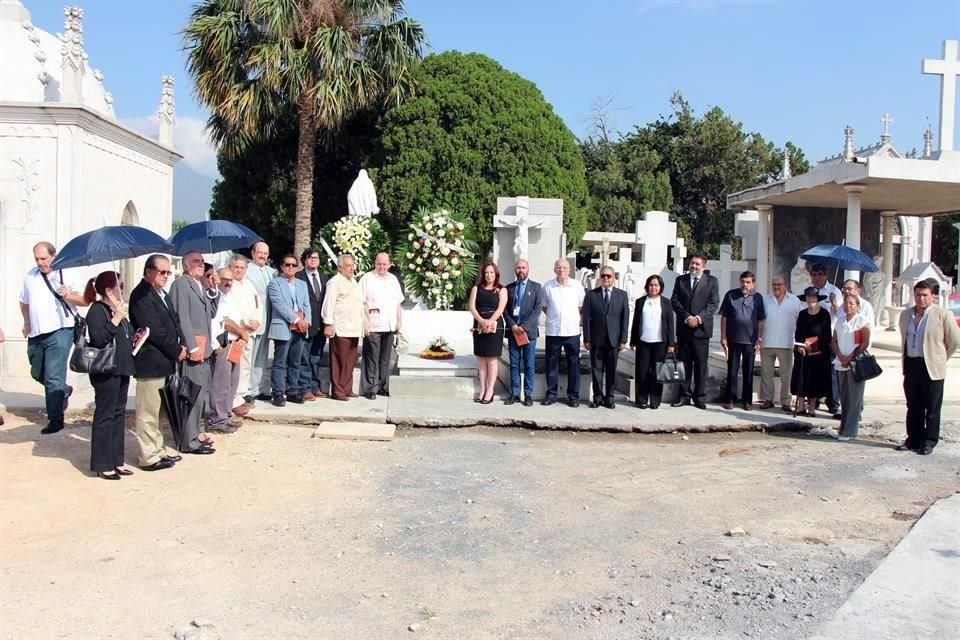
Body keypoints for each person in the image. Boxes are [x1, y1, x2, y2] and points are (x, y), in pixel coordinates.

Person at [19, 241, 88, 434]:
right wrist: (26, 322)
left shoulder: (67, 274)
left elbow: (85, 299)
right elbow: (23, 301)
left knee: (53, 378)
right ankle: (63, 391)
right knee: (37, 372)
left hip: (60, 331)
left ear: (54, 256)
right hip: (36, 334)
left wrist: (68, 295)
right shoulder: (30, 276)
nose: (40, 262)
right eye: (37, 259)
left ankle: (55, 419)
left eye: (44, 258)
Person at [129, 254, 185, 471]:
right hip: (151, 361)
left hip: (165, 361)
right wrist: (176, 349)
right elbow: (154, 331)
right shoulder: (142, 295)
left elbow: (173, 322)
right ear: (148, 271)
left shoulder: (160, 293)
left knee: (160, 411)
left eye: (168, 272)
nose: (165, 276)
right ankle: (148, 456)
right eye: (162, 272)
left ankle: (158, 449)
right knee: (148, 412)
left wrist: (180, 344)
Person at [82, 271, 136, 479]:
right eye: (119, 286)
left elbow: (127, 334)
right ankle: (102, 463)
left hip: (122, 367)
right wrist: (115, 319)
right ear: (108, 290)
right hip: (106, 369)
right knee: (105, 414)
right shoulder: (97, 310)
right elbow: (99, 338)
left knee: (119, 414)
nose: (122, 290)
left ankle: (116, 459)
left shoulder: (117, 310)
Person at [897, 280, 960, 455]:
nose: (921, 298)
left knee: (932, 407)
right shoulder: (905, 315)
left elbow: (954, 341)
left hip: (932, 366)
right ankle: (913, 439)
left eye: (925, 295)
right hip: (911, 364)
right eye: (918, 295)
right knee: (913, 405)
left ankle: (929, 441)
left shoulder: (942, 315)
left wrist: (941, 358)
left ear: (933, 295)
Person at [169, 251, 218, 454]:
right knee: (191, 395)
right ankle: (188, 440)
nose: (201, 265)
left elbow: (212, 314)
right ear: (186, 265)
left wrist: (213, 289)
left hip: (205, 348)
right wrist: (192, 346)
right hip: (194, 349)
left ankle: (196, 432)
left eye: (202, 262)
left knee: (201, 395)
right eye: (196, 262)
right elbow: (182, 318)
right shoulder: (182, 284)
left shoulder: (200, 284)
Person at [670, 253, 719, 409]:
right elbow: (675, 301)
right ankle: (684, 395)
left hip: (701, 330)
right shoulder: (681, 280)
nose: (694, 266)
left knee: (700, 365)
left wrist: (698, 319)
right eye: (692, 263)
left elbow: (713, 304)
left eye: (697, 264)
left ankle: (699, 397)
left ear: (704, 266)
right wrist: (687, 318)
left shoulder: (712, 281)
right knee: (684, 364)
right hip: (684, 329)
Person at [207, 268, 249, 433]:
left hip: (235, 343)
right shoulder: (215, 297)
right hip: (223, 343)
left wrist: (241, 335)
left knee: (232, 382)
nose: (228, 283)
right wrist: (242, 332)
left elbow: (237, 319)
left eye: (231, 280)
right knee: (221, 384)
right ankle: (217, 420)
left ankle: (226, 415)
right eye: (224, 279)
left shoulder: (229, 297)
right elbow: (225, 321)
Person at [582, 266, 630, 409]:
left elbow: (625, 318)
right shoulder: (591, 295)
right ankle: (597, 397)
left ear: (614, 277)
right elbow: (586, 318)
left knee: (611, 370)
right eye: (603, 276)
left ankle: (610, 397)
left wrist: (623, 339)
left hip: (614, 340)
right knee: (596, 370)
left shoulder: (622, 295)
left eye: (609, 276)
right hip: (596, 340)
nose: (606, 278)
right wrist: (587, 338)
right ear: (599, 278)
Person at [267, 254, 311, 406]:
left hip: (300, 328)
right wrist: (297, 320)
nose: (290, 267)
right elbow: (279, 305)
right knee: (280, 362)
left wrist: (307, 321)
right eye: (287, 265)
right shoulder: (275, 284)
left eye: (293, 265)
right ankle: (278, 393)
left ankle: (293, 390)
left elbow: (306, 304)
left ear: (297, 267)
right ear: (282, 267)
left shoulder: (302, 284)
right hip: (284, 326)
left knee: (296, 361)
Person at [359, 252, 404, 400]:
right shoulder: (367, 278)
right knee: (371, 357)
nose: (382, 267)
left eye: (385, 264)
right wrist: (364, 322)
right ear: (375, 263)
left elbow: (398, 303)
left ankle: (381, 385)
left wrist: (399, 322)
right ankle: (370, 388)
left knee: (385, 358)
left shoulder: (393, 280)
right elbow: (362, 303)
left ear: (389, 264)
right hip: (373, 324)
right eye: (379, 264)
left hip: (389, 325)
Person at [542, 258, 586, 408]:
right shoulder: (548, 286)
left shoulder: (577, 286)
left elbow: (580, 306)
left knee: (573, 364)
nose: (562, 270)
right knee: (551, 364)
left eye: (565, 267)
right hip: (553, 331)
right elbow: (544, 307)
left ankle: (573, 396)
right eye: (559, 267)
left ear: (570, 269)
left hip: (572, 332)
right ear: (554, 269)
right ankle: (551, 394)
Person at [719, 271, 766, 410]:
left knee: (748, 372)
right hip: (733, 339)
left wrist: (759, 338)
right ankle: (730, 400)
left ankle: (747, 401)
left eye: (748, 282)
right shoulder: (731, 295)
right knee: (732, 371)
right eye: (742, 281)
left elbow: (760, 320)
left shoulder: (758, 298)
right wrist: (723, 337)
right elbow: (724, 317)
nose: (744, 284)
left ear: (753, 283)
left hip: (750, 341)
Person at [629, 274, 676, 410]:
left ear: (660, 287)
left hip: (660, 343)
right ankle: (641, 400)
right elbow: (636, 322)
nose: (653, 287)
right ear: (647, 286)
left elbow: (670, 324)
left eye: (656, 285)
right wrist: (633, 340)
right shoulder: (640, 301)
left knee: (657, 373)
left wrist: (671, 344)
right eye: (651, 285)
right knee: (642, 372)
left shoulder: (666, 303)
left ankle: (655, 400)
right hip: (643, 342)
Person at [321, 254, 364, 401]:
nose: (351, 268)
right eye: (348, 266)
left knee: (350, 360)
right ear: (340, 267)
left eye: (352, 265)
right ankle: (338, 391)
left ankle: (347, 388)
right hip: (341, 327)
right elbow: (329, 304)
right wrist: (328, 323)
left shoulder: (354, 282)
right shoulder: (335, 282)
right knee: (339, 360)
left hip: (354, 328)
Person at [758, 276, 803, 412]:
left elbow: (799, 320)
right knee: (766, 373)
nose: (776, 287)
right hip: (767, 341)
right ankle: (767, 399)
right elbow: (759, 320)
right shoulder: (765, 300)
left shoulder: (794, 301)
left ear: (786, 285)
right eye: (774, 284)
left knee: (786, 374)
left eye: (779, 284)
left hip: (786, 342)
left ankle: (786, 401)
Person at [504, 259, 545, 406]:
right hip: (513, 332)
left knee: (529, 365)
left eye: (523, 268)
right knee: (514, 364)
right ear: (515, 270)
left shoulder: (536, 287)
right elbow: (505, 310)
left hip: (529, 333)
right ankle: (515, 394)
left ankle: (528, 394)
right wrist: (513, 326)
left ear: (528, 269)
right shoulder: (508, 289)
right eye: (518, 268)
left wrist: (524, 327)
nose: (521, 270)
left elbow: (537, 309)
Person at [832, 294, 871, 441]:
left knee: (855, 398)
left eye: (852, 303)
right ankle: (843, 428)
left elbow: (864, 343)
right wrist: (840, 356)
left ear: (857, 306)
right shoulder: (840, 321)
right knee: (845, 398)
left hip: (855, 363)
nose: (848, 306)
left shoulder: (862, 321)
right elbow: (834, 340)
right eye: (846, 303)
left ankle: (851, 431)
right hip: (841, 362)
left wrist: (850, 358)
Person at [469, 262, 508, 404]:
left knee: (491, 359)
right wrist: (481, 320)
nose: (488, 275)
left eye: (491, 272)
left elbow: (500, 309)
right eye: (486, 272)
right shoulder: (476, 288)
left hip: (495, 325)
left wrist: (490, 321)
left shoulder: (501, 290)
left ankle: (490, 390)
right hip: (478, 324)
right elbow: (472, 307)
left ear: (496, 273)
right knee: (481, 359)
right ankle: (483, 389)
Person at [791, 287, 833, 417]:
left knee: (815, 379)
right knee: (801, 377)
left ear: (817, 299)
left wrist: (813, 347)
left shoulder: (824, 314)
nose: (811, 300)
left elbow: (826, 336)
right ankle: (801, 405)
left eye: (813, 298)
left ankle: (812, 408)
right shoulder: (803, 314)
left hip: (818, 353)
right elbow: (799, 333)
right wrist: (800, 346)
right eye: (808, 298)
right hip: (803, 351)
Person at [227, 254, 261, 415]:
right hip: (236, 334)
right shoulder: (228, 285)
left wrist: (256, 321)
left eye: (242, 268)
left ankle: (241, 396)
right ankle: (233, 400)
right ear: (230, 268)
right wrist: (242, 327)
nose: (239, 270)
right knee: (236, 367)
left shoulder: (248, 285)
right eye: (236, 267)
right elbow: (230, 311)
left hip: (250, 333)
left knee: (246, 366)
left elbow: (257, 305)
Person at [295, 247, 329, 400]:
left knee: (316, 357)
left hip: (321, 324)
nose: (313, 260)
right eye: (310, 258)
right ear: (304, 260)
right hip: (305, 324)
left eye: (315, 257)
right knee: (304, 357)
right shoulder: (298, 277)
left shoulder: (324, 277)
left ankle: (315, 387)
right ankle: (305, 388)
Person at [809, 263, 842, 416]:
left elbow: (841, 314)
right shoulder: (810, 291)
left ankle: (833, 402)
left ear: (826, 276)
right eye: (814, 274)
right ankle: (813, 400)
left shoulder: (834, 291)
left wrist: (834, 303)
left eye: (820, 274)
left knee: (831, 371)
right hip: (813, 337)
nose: (817, 277)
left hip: (829, 337)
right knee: (813, 369)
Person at [246, 241, 276, 402]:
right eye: (260, 252)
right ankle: (247, 389)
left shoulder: (272, 272)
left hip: (268, 319)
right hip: (253, 320)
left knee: (262, 357)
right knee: (249, 357)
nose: (263, 256)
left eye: (265, 253)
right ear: (253, 253)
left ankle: (258, 388)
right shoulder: (246, 271)